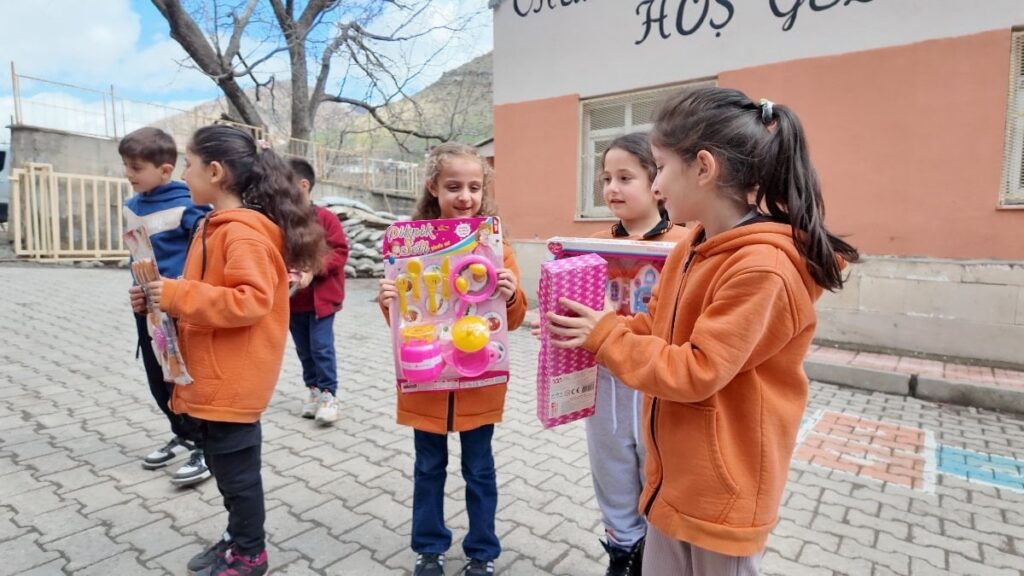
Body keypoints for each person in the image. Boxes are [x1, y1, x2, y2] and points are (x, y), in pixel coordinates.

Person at [545, 87, 859, 576]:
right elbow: (656, 326)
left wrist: (606, 336)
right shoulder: (693, 245)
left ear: (704, 168)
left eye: (660, 168)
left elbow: (698, 369)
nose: (655, 186)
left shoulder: (762, 268)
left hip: (721, 496)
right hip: (674, 483)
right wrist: (595, 328)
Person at [130, 125, 326, 576]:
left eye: (189, 165)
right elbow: (205, 292)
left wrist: (177, 294)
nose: (183, 174)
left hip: (234, 381)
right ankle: (236, 538)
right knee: (225, 468)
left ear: (215, 172)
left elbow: (250, 300)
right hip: (213, 374)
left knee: (238, 477)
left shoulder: (243, 234)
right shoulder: (213, 225)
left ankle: (251, 554)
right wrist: (158, 299)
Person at [378, 142, 527, 576]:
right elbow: (403, 322)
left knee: (479, 470)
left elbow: (513, 320)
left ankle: (482, 551)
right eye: (454, 186)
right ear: (433, 187)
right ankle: (429, 548)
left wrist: (511, 294)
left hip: (478, 382)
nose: (465, 197)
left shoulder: (495, 246)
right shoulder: (409, 245)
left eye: (474, 187)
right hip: (425, 382)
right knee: (428, 468)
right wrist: (388, 301)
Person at [588, 132, 691, 576]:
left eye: (625, 177)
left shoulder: (686, 243)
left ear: (657, 183)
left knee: (656, 467)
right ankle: (623, 552)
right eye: (606, 178)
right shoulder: (589, 246)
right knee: (610, 469)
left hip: (656, 382)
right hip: (604, 381)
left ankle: (657, 555)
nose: (612, 187)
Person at [120, 126, 211, 486]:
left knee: (186, 379)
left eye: (136, 168)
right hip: (148, 310)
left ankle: (206, 447)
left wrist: (183, 291)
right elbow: (137, 255)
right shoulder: (131, 207)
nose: (128, 174)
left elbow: (206, 252)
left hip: (179, 307)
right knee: (159, 381)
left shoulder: (189, 203)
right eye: (126, 166)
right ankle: (183, 434)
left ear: (165, 170)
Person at [287, 158, 350, 425]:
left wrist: (313, 269)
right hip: (293, 301)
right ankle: (313, 390)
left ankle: (328, 396)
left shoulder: (326, 219)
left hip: (321, 301)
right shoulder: (282, 222)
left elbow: (340, 251)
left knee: (321, 348)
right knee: (304, 350)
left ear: (303, 185)